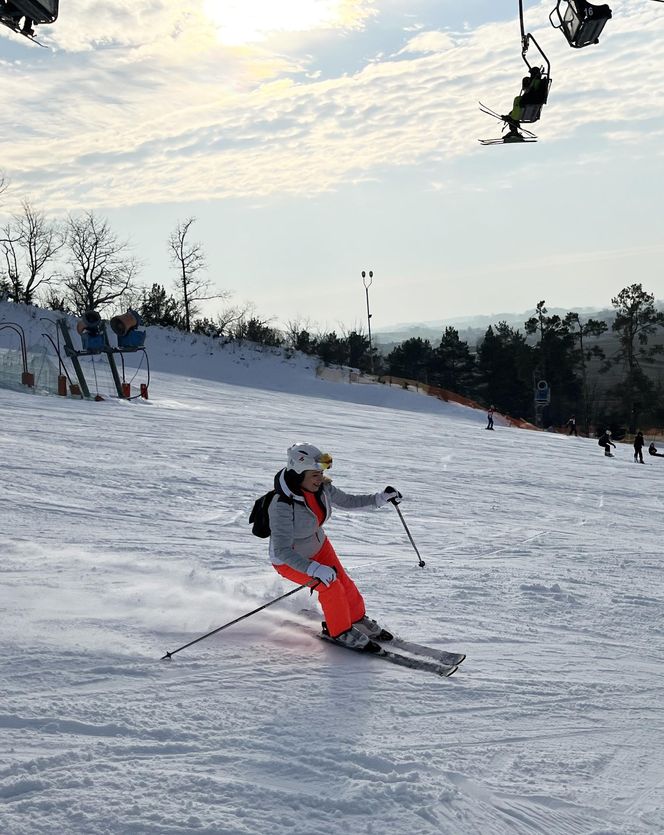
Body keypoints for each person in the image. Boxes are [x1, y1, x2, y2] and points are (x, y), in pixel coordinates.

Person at [267, 443, 402, 653]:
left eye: (321, 473)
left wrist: (380, 498)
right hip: (291, 559)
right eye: (314, 475)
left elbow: (347, 501)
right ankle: (338, 630)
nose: (320, 478)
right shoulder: (281, 505)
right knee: (331, 587)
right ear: (298, 474)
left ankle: (356, 619)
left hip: (319, 545)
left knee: (343, 581)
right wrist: (313, 569)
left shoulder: (322, 489)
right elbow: (282, 550)